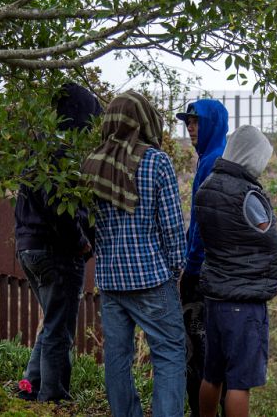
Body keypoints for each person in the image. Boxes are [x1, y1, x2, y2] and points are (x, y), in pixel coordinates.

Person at [83, 91, 186, 417]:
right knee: (169, 353)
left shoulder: (92, 164)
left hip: (111, 281)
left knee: (117, 357)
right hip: (152, 278)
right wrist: (175, 270)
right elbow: (172, 226)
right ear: (144, 121)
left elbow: (86, 223)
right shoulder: (156, 161)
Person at [13, 82, 101, 402]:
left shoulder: (38, 149)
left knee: (52, 321)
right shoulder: (61, 153)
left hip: (29, 246)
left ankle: (30, 386)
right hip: (57, 250)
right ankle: (52, 396)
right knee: (59, 328)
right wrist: (80, 241)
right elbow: (58, 207)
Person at [194, 125, 277, 417]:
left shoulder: (207, 186)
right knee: (239, 383)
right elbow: (267, 238)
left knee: (212, 375)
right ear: (250, 156)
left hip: (215, 297)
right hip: (243, 302)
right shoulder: (247, 195)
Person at [176, 99, 228, 416]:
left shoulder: (211, 162)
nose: (190, 127)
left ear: (212, 123)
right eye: (188, 122)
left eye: (196, 121)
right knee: (217, 352)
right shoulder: (219, 157)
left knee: (197, 351)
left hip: (203, 276)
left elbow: (201, 226)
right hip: (222, 275)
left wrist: (190, 269)